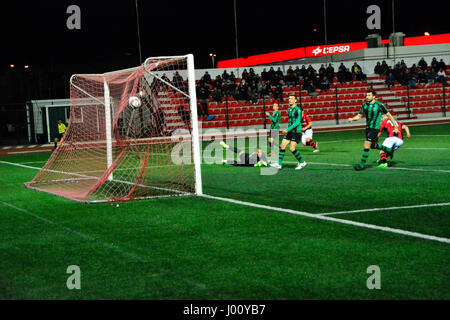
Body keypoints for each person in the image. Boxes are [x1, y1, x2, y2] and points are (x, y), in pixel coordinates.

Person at [348, 90, 399, 171]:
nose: (367, 97)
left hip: (375, 128)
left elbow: (389, 115)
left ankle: (361, 165)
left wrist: (395, 126)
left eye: (369, 95)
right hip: (368, 128)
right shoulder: (364, 105)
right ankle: (389, 150)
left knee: (366, 145)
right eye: (366, 95)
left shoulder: (379, 105)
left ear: (374, 96)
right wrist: (352, 119)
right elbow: (359, 116)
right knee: (373, 145)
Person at [270, 94, 307, 170]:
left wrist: (287, 129)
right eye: (289, 98)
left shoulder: (298, 110)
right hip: (289, 132)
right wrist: (287, 130)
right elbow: (290, 122)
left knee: (292, 148)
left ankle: (302, 162)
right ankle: (279, 164)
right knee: (282, 146)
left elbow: (297, 122)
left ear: (295, 100)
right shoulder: (289, 110)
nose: (289, 100)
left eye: (291, 99)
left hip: (296, 132)